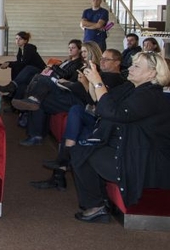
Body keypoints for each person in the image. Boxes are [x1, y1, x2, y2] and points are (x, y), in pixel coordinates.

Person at [69, 52, 170, 223]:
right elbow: (103, 101)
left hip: (145, 159)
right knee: (81, 150)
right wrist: (93, 82)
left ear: (152, 73)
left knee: (85, 153)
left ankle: (97, 206)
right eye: (132, 64)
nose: (130, 68)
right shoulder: (131, 87)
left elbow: (113, 112)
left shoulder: (151, 95)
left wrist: (98, 81)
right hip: (131, 147)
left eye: (136, 66)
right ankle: (98, 204)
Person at [28, 49, 127, 190]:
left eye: (107, 59)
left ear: (117, 63)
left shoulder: (116, 80)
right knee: (73, 117)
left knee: (75, 119)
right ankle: (60, 169)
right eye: (102, 59)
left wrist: (87, 83)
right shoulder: (101, 75)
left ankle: (61, 167)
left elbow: (100, 105)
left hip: (102, 120)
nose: (102, 62)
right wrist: (86, 82)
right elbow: (91, 100)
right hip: (91, 112)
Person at [0, 39, 83, 99]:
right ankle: (14, 102)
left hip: (55, 80)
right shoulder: (68, 60)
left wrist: (52, 66)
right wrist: (50, 67)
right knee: (24, 81)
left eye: (73, 48)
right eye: (69, 48)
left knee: (29, 69)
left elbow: (65, 74)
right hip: (50, 74)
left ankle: (12, 87)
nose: (70, 50)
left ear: (79, 50)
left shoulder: (77, 63)